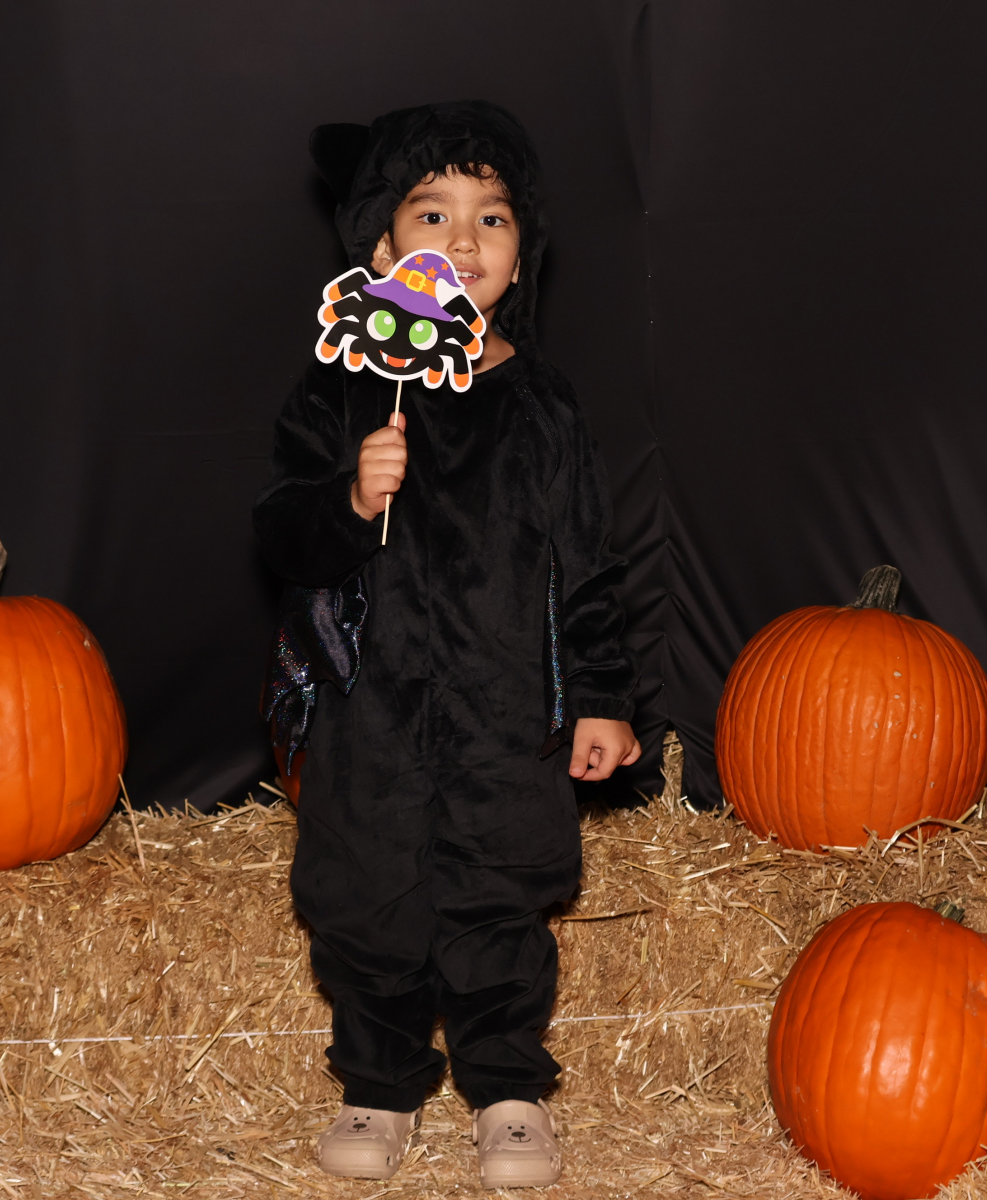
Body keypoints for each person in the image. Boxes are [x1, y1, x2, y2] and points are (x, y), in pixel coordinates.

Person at [253, 100, 639, 1189]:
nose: (464, 241)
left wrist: (602, 695)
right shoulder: (343, 388)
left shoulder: (543, 403)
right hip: (366, 705)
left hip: (504, 712)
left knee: (498, 895)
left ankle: (507, 1086)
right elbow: (278, 532)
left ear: (522, 250)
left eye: (492, 218)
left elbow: (589, 564)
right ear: (382, 249)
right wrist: (347, 497)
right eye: (433, 215)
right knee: (365, 893)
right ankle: (378, 1083)